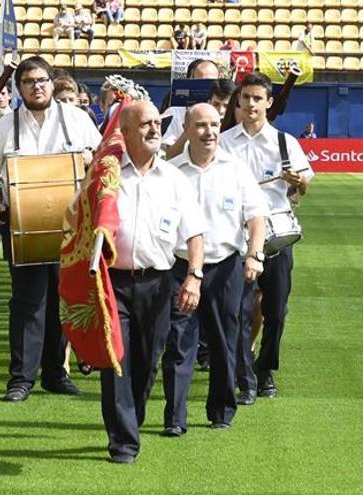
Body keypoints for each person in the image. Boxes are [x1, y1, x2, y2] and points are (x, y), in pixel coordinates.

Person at [0, 56, 102, 402]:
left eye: (42, 80)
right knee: (28, 303)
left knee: (62, 301)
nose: (37, 86)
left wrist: (92, 162)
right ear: (19, 88)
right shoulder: (4, 127)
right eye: (29, 81)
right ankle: (21, 378)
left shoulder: (77, 119)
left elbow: (104, 162)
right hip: (24, 226)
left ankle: (55, 373)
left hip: (70, 229)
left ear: (51, 81)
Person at [98, 100, 206, 463]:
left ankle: (132, 417)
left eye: (157, 124)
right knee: (116, 361)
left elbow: (194, 233)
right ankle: (123, 442)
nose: (154, 130)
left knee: (147, 362)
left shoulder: (175, 178)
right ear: (124, 132)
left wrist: (193, 276)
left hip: (159, 283)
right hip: (112, 283)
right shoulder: (106, 176)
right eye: (144, 124)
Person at [163, 103, 268, 436]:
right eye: (201, 126)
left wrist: (255, 255)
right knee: (179, 343)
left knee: (225, 341)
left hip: (225, 267)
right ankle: (175, 417)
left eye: (214, 125)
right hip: (180, 268)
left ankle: (221, 409)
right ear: (187, 130)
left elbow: (256, 217)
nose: (209, 132)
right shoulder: (172, 171)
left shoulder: (235, 169)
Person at [220, 72, 313, 404]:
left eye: (257, 99)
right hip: (235, 238)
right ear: (239, 101)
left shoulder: (285, 142)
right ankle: (244, 377)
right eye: (245, 98)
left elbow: (303, 187)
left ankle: (265, 370)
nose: (250, 105)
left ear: (269, 103)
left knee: (276, 312)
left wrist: (297, 180)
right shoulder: (223, 141)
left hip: (276, 239)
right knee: (238, 311)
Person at [161, 59, 220, 155]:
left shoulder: (225, 111)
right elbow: (169, 155)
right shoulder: (175, 113)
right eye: (200, 82)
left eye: (210, 82)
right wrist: (188, 130)